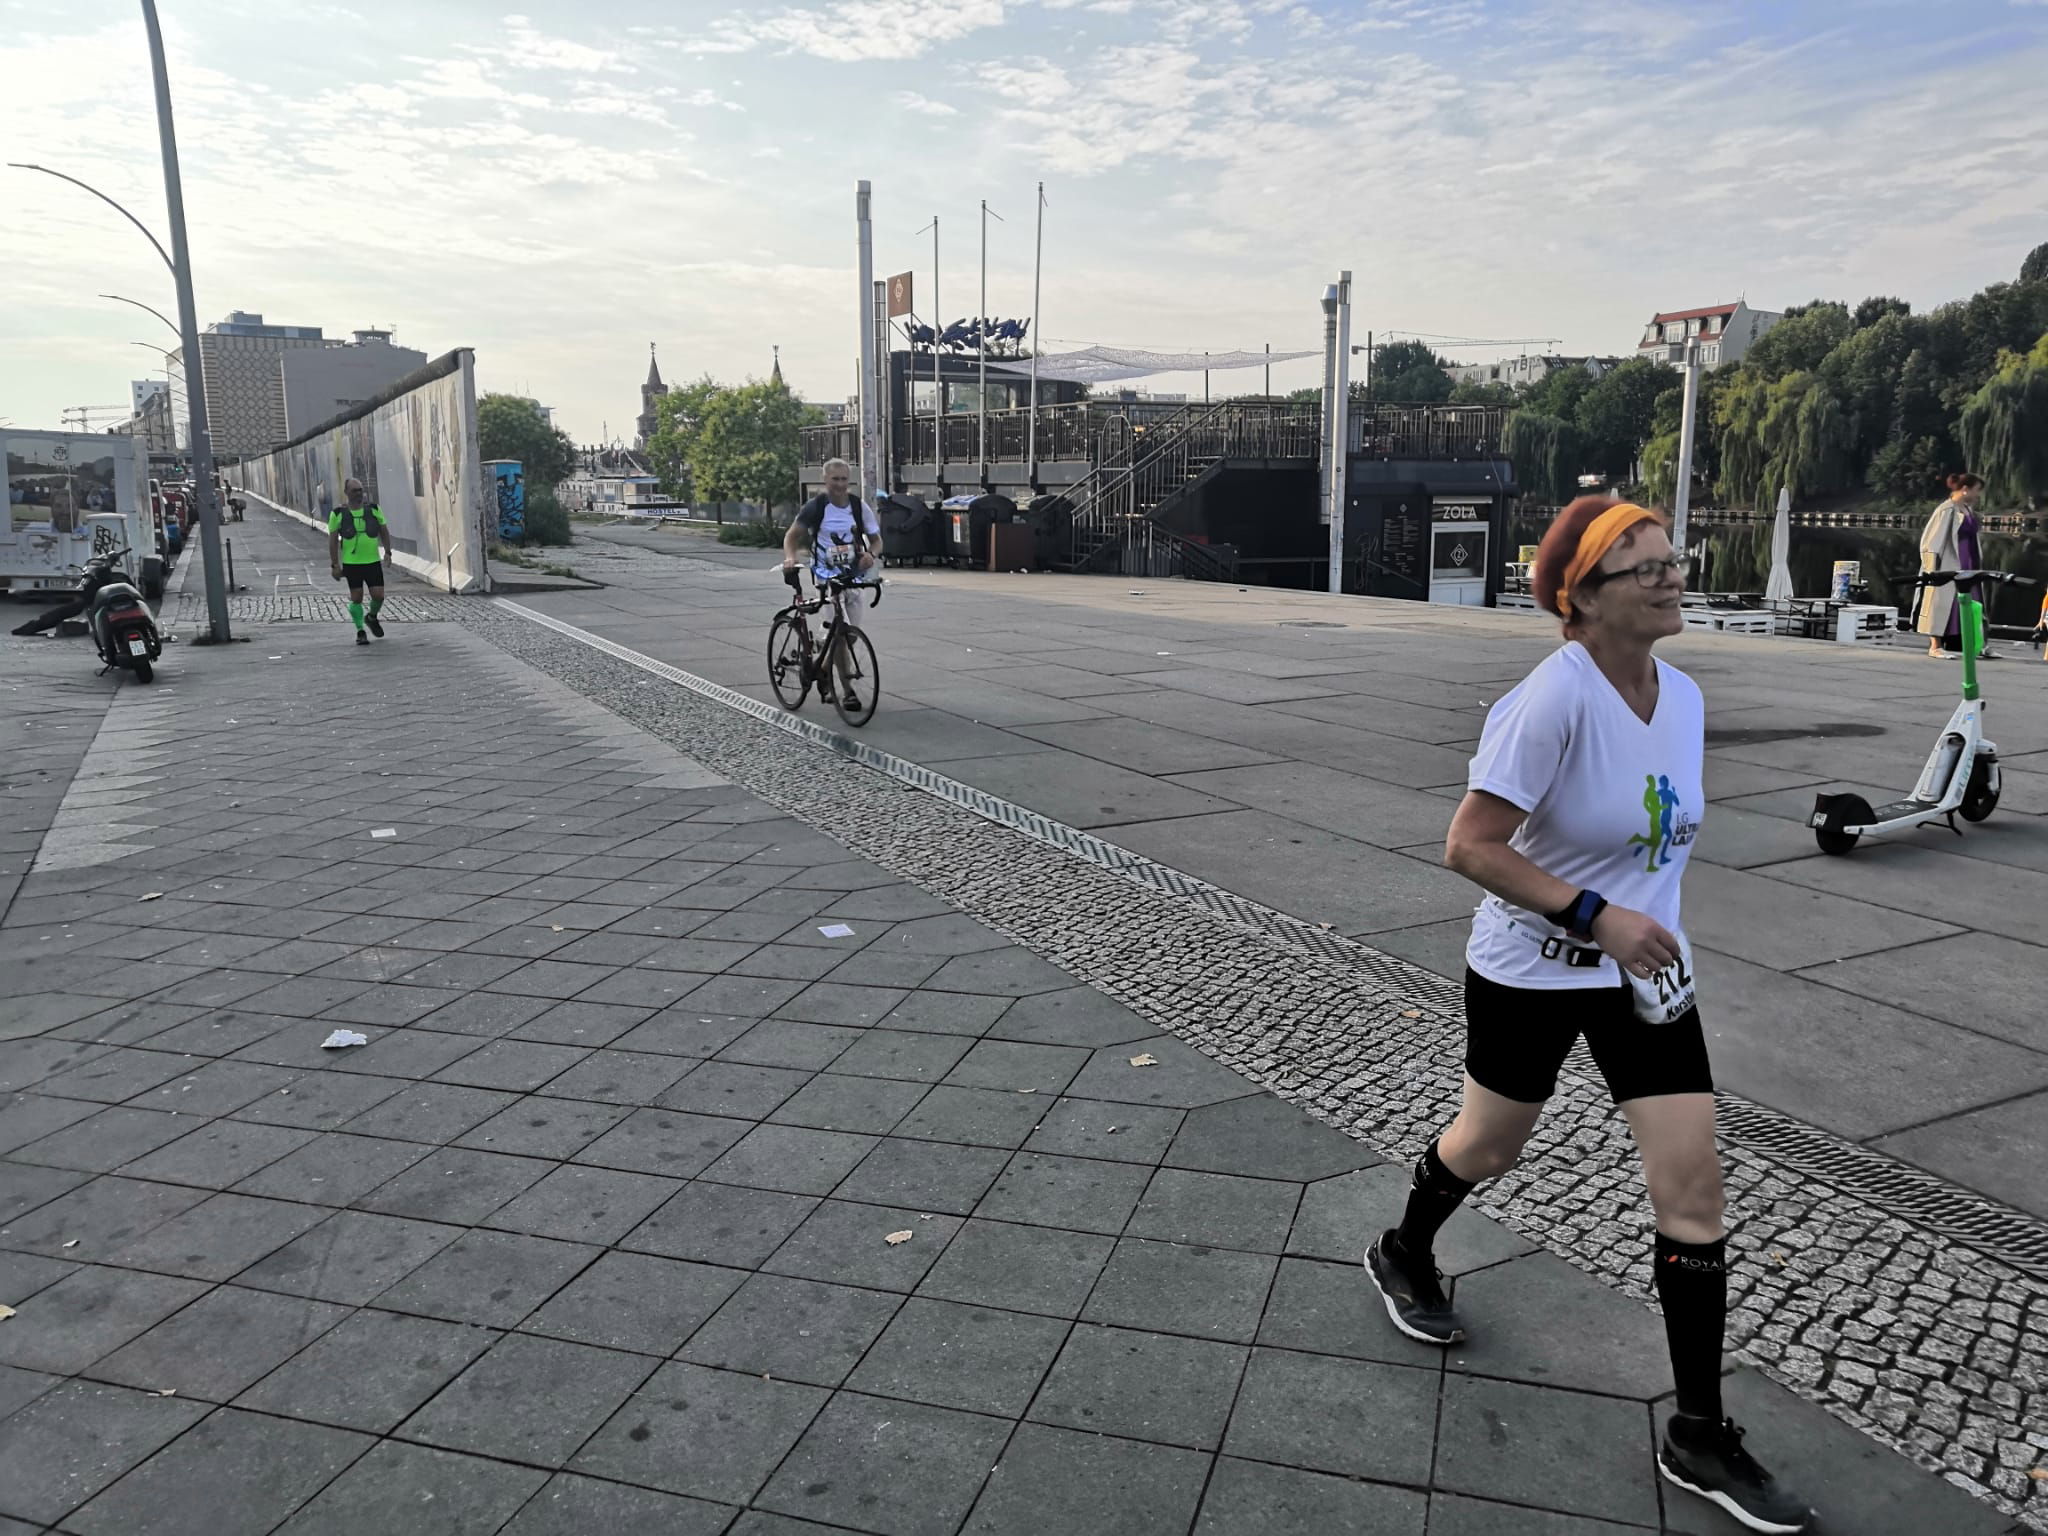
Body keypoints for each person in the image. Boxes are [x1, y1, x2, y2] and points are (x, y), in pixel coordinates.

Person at [1363, 496, 1811, 1534]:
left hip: (1644, 978)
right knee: (1489, 1145)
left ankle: (1696, 1431)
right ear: (1582, 598)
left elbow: (1653, 840)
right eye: (1643, 567)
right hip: (1531, 968)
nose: (1671, 578)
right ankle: (1403, 1249)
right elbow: (1469, 845)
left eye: (1672, 559)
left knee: (1691, 1189)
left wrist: (1634, 930)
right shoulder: (1550, 700)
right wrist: (1592, 914)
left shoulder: (1682, 696)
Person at [781, 457, 883, 708]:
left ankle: (824, 666)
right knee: (839, 632)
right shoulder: (816, 507)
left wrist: (871, 555)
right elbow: (792, 536)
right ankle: (847, 692)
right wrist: (790, 558)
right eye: (835, 479)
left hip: (853, 576)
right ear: (825, 479)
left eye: (844, 479)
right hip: (826, 576)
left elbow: (876, 541)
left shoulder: (858, 507)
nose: (839, 484)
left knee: (849, 636)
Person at [1916, 472, 1988, 660]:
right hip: (1948, 563)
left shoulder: (1967, 510)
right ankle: (1935, 646)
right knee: (1940, 603)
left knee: (1971, 603)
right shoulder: (1946, 510)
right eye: (1976, 490)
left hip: (1968, 563)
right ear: (1965, 489)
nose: (1978, 495)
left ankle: (1977, 644)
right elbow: (1931, 541)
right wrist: (1932, 569)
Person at [328, 477, 392, 646]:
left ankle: (371, 617)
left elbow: (384, 531)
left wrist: (387, 552)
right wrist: (335, 565)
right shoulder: (337, 514)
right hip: (352, 564)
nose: (359, 494)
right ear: (346, 492)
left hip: (372, 562)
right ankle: (360, 631)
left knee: (378, 596)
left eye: (360, 490)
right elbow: (333, 541)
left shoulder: (374, 509)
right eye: (354, 490)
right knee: (356, 598)